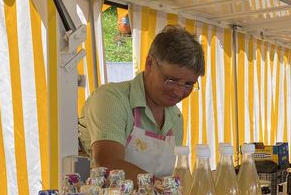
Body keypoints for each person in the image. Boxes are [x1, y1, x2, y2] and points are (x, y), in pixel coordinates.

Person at [80, 25, 205, 180]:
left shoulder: (175, 117)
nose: (179, 92)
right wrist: (164, 188)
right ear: (150, 63)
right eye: (171, 80)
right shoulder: (111, 99)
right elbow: (109, 165)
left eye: (188, 84)